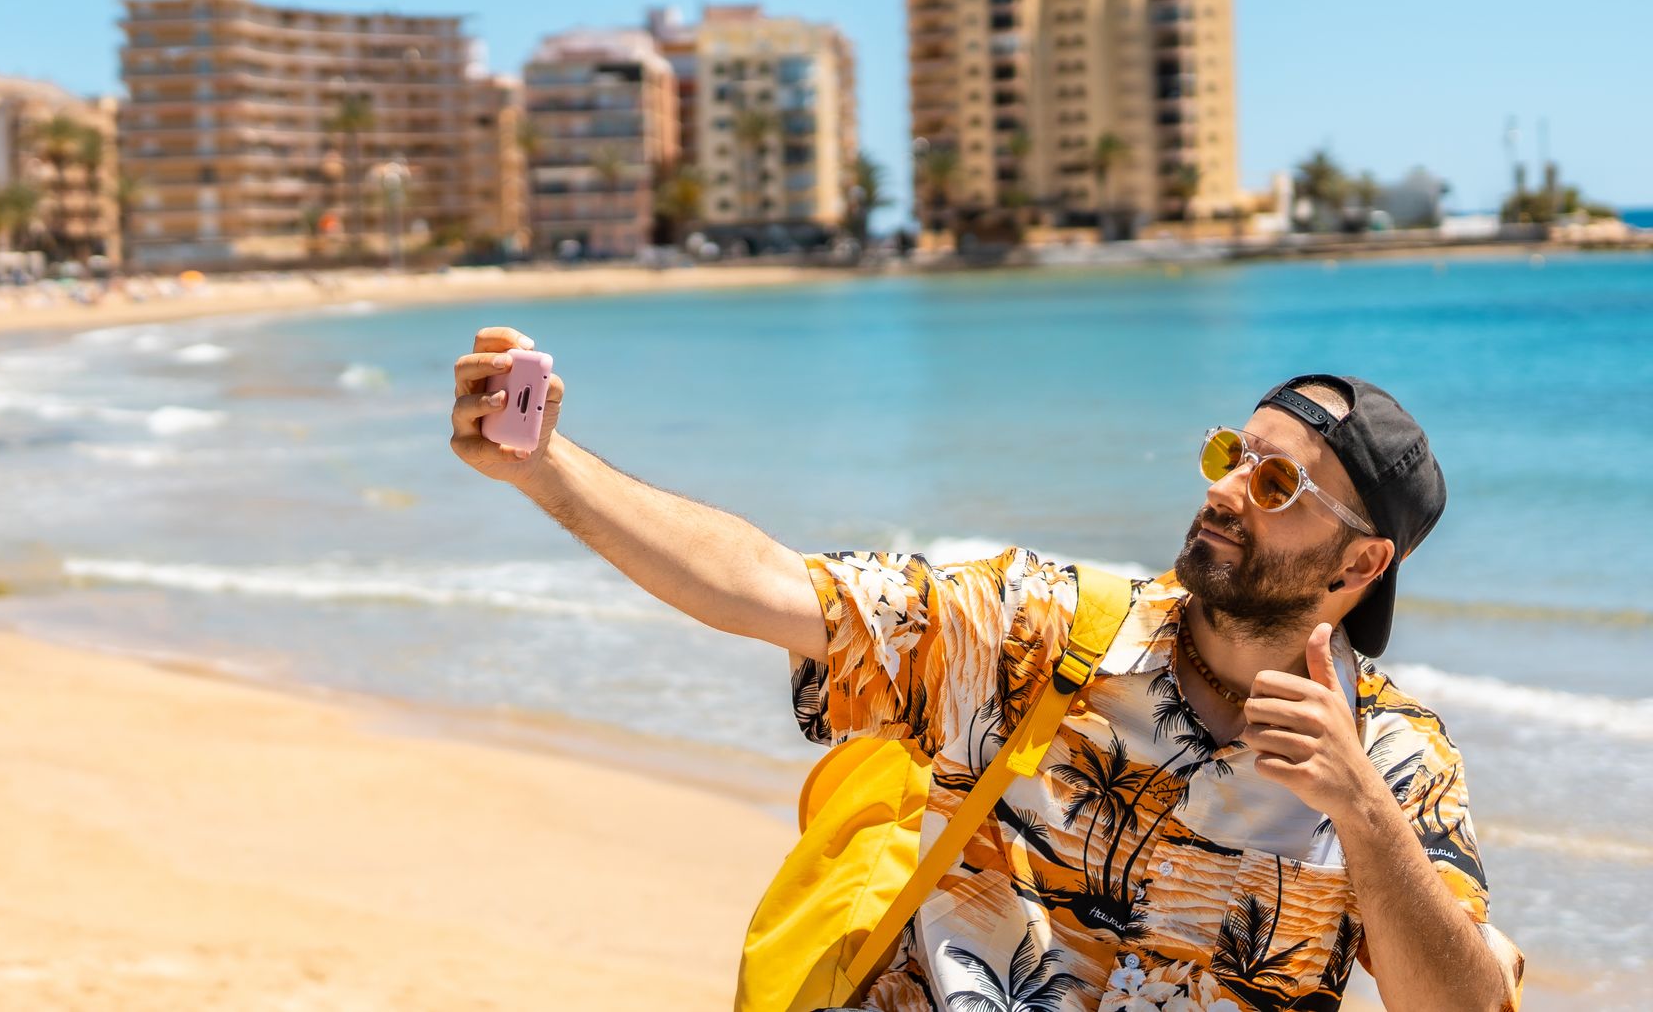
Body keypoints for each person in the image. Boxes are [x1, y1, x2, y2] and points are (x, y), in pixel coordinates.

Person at [449, 327, 1522, 1011]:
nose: (1227, 489)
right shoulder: (1044, 632)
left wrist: (1364, 813)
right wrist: (547, 470)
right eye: (1226, 456)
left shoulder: (1394, 759)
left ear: (1361, 562)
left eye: (1277, 480)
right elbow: (776, 589)